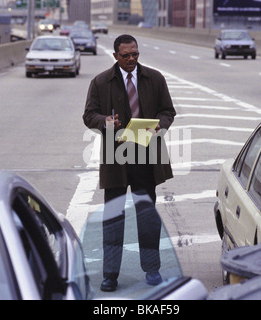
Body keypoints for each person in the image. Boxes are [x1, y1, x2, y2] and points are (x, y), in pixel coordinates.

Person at [82, 34, 176, 292]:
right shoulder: (101, 82)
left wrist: (161, 124)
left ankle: (152, 269)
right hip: (116, 158)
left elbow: (168, 111)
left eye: (135, 54)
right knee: (113, 218)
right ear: (115, 56)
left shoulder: (154, 78)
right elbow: (88, 115)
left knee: (146, 217)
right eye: (126, 55)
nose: (132, 59)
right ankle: (110, 274)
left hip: (147, 156)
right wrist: (105, 122)